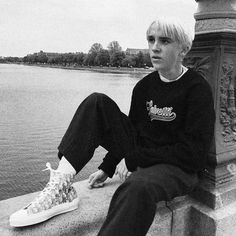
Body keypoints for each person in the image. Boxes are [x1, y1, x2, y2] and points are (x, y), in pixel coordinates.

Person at [9, 17, 215, 236]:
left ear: (183, 50)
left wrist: (135, 159)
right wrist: (108, 167)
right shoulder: (145, 86)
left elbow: (193, 154)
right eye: (151, 40)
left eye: (164, 41)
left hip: (178, 167)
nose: (155, 47)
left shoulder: (197, 89)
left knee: (137, 187)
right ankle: (61, 186)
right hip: (144, 155)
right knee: (96, 102)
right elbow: (133, 132)